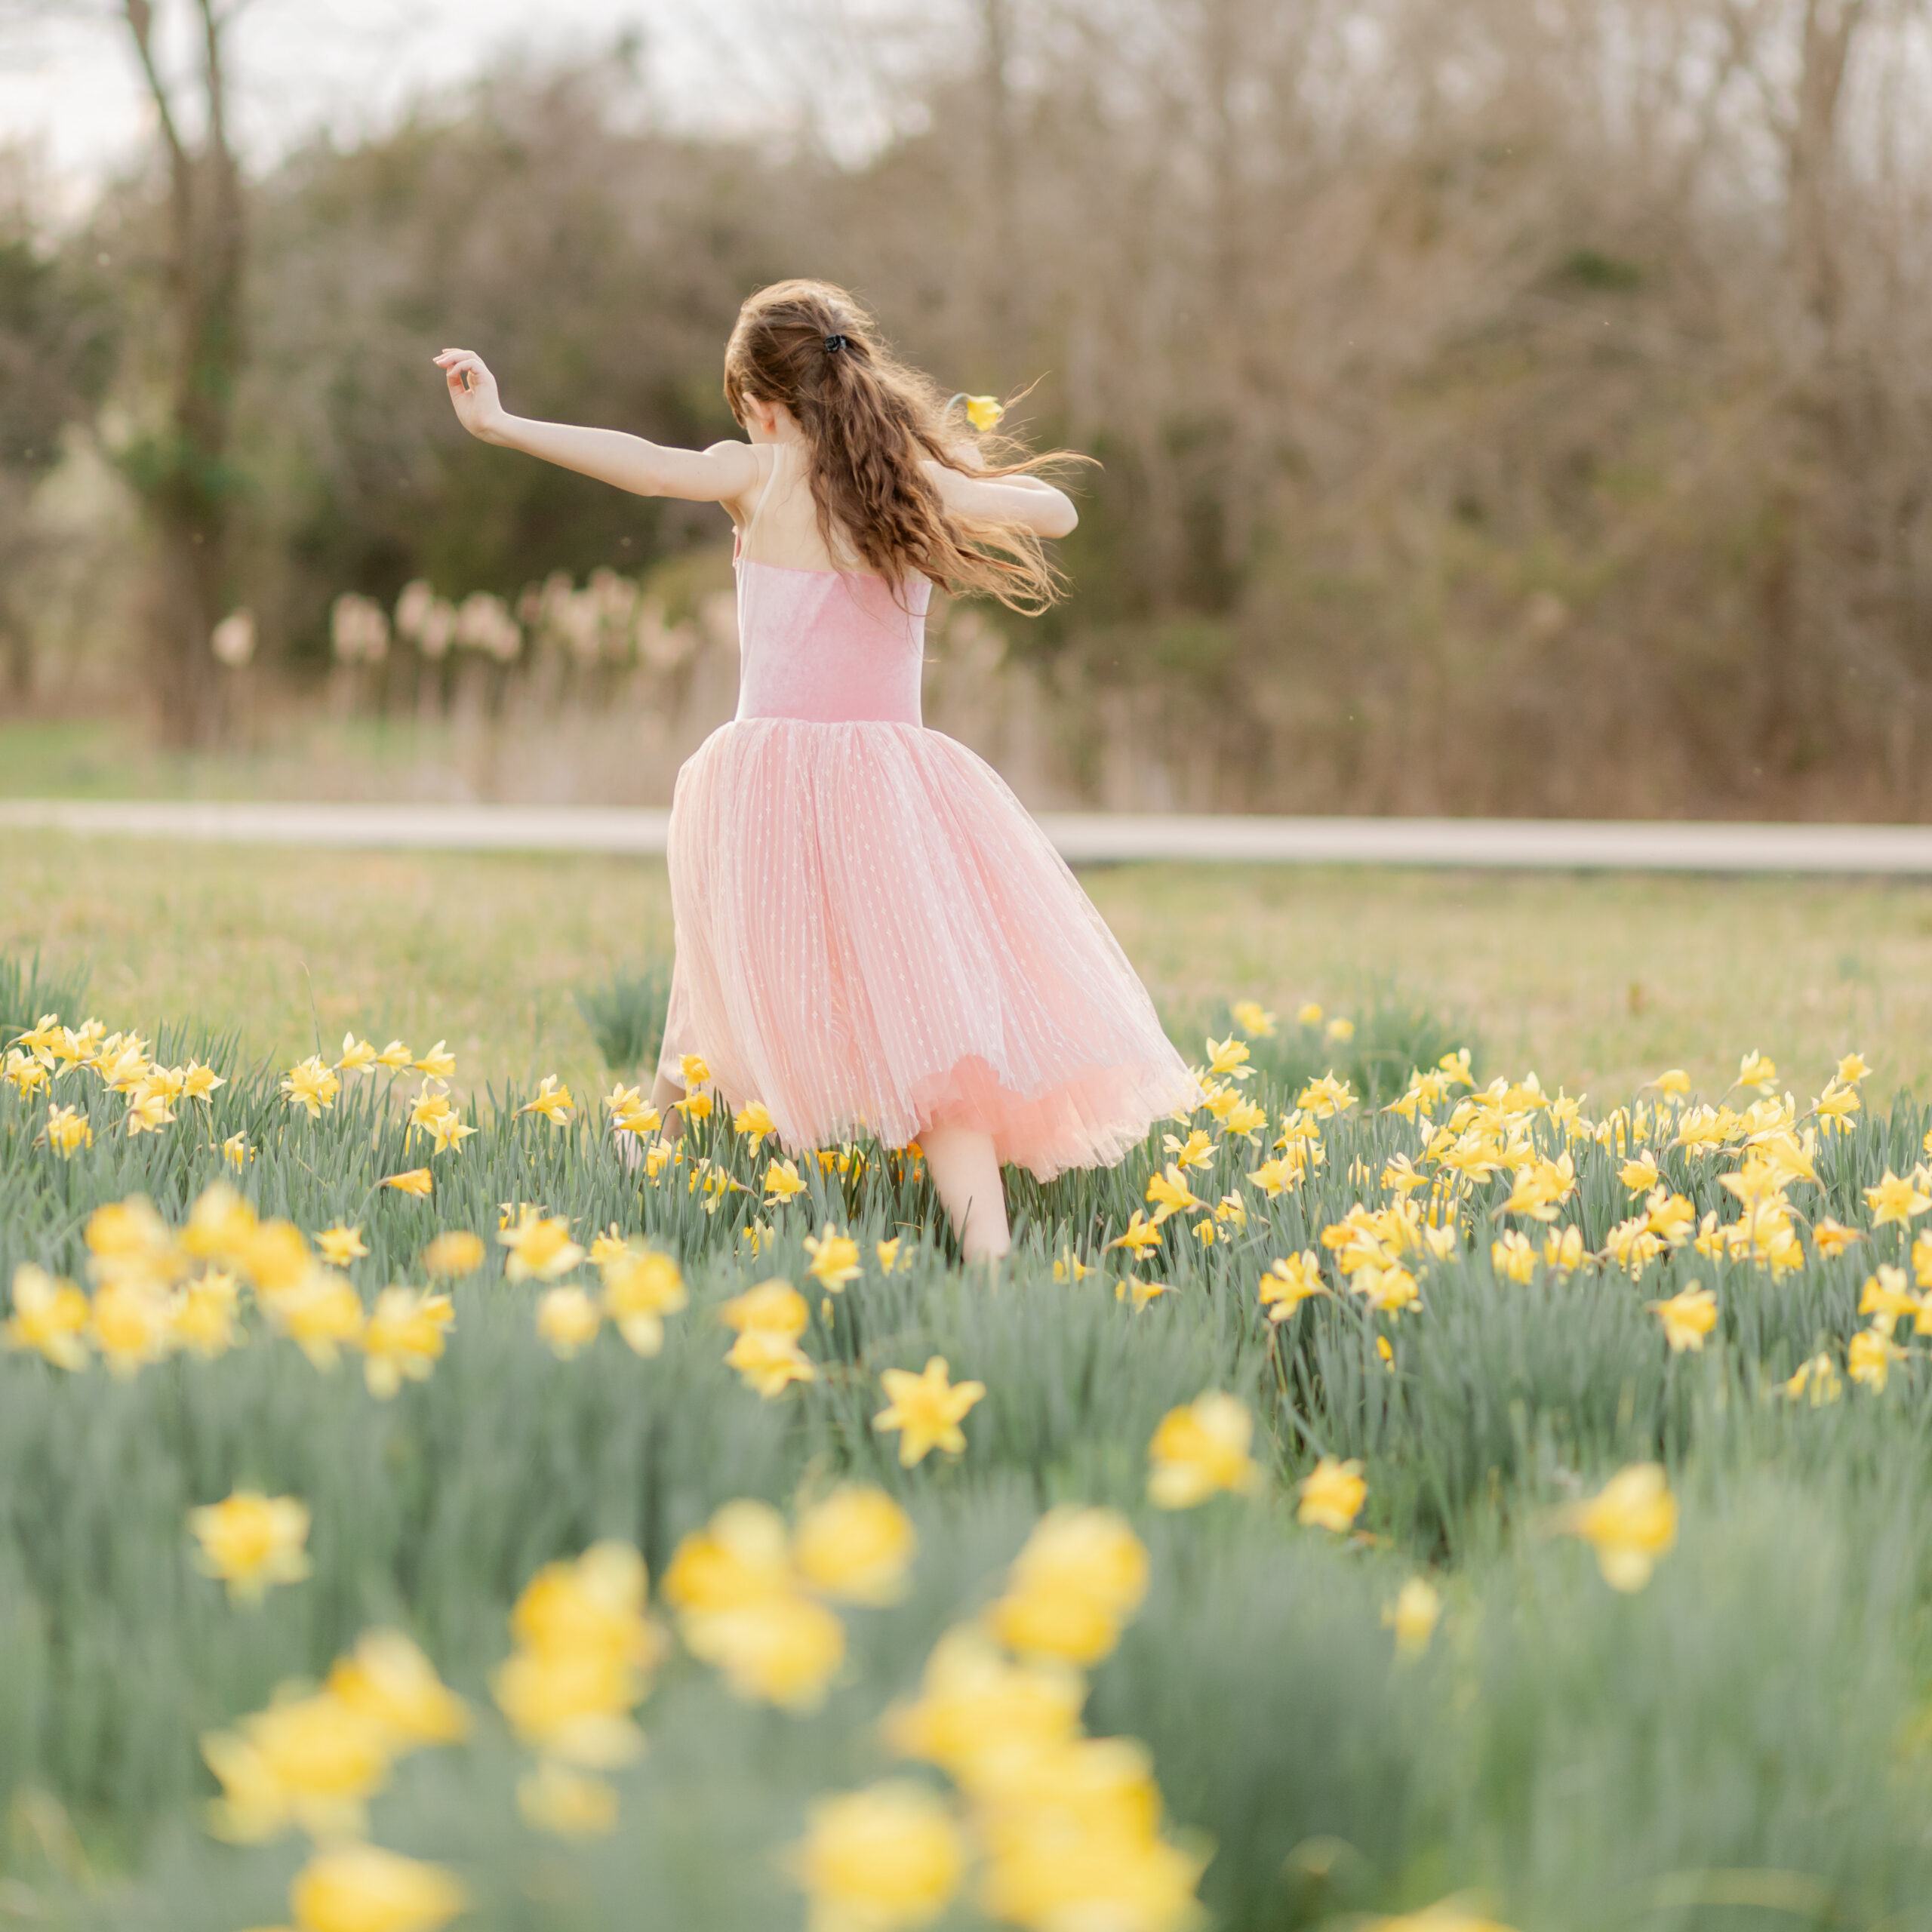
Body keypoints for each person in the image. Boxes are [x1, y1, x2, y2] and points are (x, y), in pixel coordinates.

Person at [434, 278, 1199, 1261]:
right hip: (889, 784)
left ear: (759, 404)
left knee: (708, 1000)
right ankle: (992, 1263)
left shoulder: (756, 475)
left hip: (764, 783)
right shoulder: (908, 482)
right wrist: (957, 477)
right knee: (931, 1026)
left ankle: (622, 1192)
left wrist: (500, 425)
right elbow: (1055, 514)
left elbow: (645, 467)